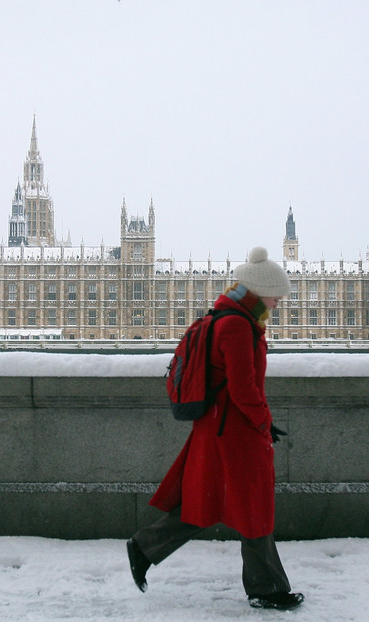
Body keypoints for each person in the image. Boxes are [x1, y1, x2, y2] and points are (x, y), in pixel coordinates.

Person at [126, 246, 304, 611]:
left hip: (219, 428)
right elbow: (244, 388)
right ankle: (266, 587)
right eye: (276, 294)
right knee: (252, 506)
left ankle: (145, 547)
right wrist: (263, 421)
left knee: (206, 502)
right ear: (257, 290)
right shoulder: (238, 326)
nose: (279, 302)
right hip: (234, 433)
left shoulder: (230, 317)